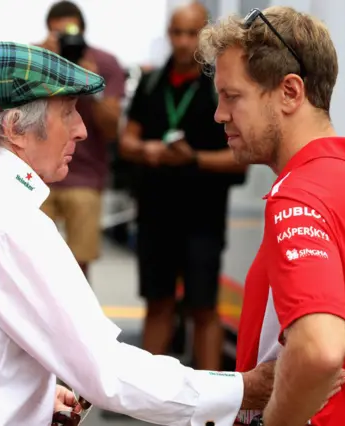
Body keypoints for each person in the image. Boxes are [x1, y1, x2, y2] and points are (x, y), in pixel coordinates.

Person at [0, 41, 289, 426]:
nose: (82, 129)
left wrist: (33, 396)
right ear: (13, 127)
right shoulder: (9, 218)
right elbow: (108, 372)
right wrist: (243, 389)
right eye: (67, 112)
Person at [196, 6, 345, 426]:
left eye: (232, 96)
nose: (220, 114)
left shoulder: (298, 198)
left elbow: (320, 350)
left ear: (290, 92)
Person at [120, 1, 247, 372]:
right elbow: (127, 140)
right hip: (156, 214)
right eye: (177, 32)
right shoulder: (151, 82)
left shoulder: (219, 88)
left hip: (202, 217)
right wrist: (148, 150)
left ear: (204, 37)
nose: (183, 41)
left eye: (191, 33)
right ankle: (150, 397)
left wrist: (193, 159)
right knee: (157, 303)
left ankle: (210, 399)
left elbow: (240, 155)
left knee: (203, 308)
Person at [37, 0, 126, 278]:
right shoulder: (36, 58)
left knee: (78, 267)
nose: (67, 42)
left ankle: (73, 322)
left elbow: (112, 130)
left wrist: (90, 82)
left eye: (72, 35)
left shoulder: (104, 64)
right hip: (37, 176)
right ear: (49, 33)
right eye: (59, 35)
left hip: (85, 176)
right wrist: (47, 66)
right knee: (33, 263)